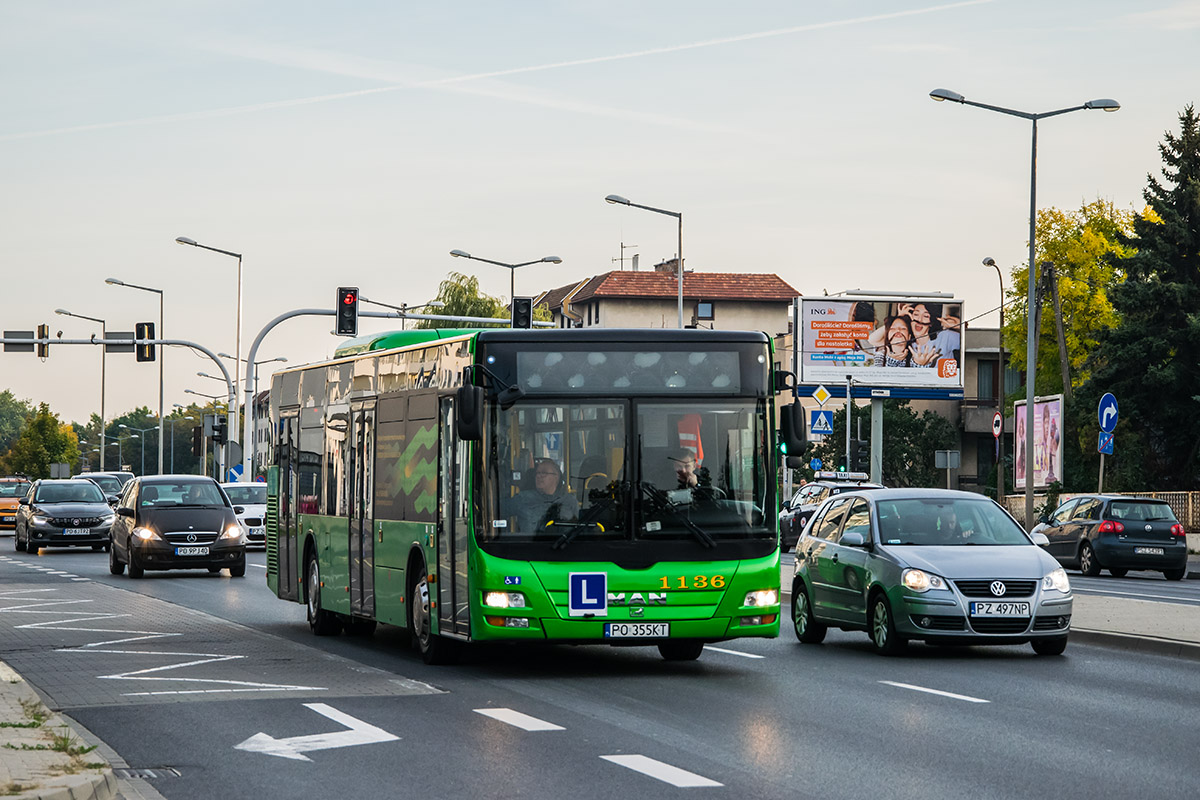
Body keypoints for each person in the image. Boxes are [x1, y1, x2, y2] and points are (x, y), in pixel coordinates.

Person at [505, 459, 579, 531]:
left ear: (556, 477)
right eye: (537, 473)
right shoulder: (522, 499)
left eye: (544, 473)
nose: (539, 476)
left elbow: (577, 529)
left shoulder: (570, 501)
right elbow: (496, 510)